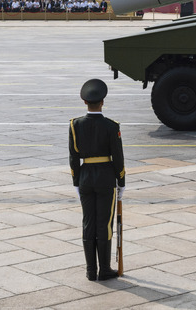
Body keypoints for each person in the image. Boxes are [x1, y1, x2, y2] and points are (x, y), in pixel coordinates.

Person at [69, 79, 126, 281]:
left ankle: (90, 270)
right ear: (102, 102)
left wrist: (76, 181)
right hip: (105, 177)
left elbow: (73, 157)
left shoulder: (75, 125)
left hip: (85, 177)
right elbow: (118, 157)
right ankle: (104, 269)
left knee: (88, 223)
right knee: (105, 224)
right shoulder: (111, 126)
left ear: (85, 102)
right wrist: (121, 181)